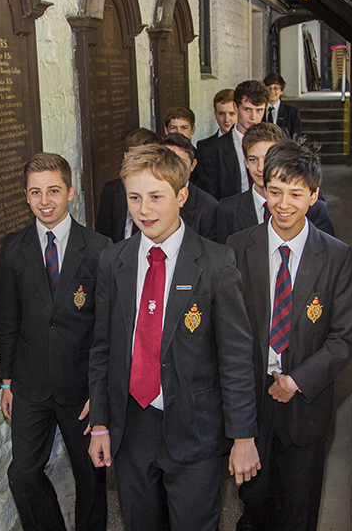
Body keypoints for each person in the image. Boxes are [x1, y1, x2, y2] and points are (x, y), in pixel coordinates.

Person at [87, 144, 260, 531]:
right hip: (131, 427)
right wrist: (100, 422)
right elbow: (103, 348)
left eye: (155, 197)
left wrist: (243, 435)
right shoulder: (113, 261)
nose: (144, 209)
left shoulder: (216, 264)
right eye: (134, 197)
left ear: (181, 196)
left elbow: (235, 356)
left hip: (194, 429)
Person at [226, 140, 352, 531]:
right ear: (263, 190)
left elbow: (344, 337)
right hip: (250, 401)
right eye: (275, 191)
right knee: (254, 502)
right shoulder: (237, 248)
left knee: (299, 509)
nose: (284, 204)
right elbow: (228, 332)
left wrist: (297, 380)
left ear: (314, 196)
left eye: (296, 194)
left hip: (305, 403)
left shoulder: (335, 257)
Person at [0, 153, 110, 531]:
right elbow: (8, 319)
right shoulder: (14, 249)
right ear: (26, 197)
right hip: (30, 384)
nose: (44, 201)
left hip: (81, 387)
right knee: (23, 473)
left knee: (90, 474)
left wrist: (101, 388)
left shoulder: (98, 249)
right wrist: (7, 382)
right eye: (35, 192)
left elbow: (106, 327)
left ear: (70, 192)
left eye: (53, 191)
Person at [213, 123, 334, 244]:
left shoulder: (316, 210)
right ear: (246, 162)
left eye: (267, 159)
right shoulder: (228, 209)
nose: (261, 167)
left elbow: (326, 254)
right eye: (253, 159)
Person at [195, 81, 270, 201]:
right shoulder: (213, 151)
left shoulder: (277, 141)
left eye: (259, 110)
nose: (253, 117)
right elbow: (210, 199)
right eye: (247, 109)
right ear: (236, 107)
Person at [95, 128, 160, 244]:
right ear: (125, 156)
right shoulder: (112, 191)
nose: (139, 162)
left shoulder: (162, 191)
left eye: (145, 157)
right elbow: (103, 236)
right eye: (135, 156)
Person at [159, 132, 218, 241]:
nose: (174, 168)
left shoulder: (209, 208)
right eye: (167, 161)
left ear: (193, 165)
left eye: (181, 162)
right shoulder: (145, 201)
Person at [263, 73, 302, 140]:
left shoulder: (292, 112)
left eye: (276, 88)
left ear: (281, 91)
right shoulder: (258, 111)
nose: (272, 91)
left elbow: (296, 137)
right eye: (269, 88)